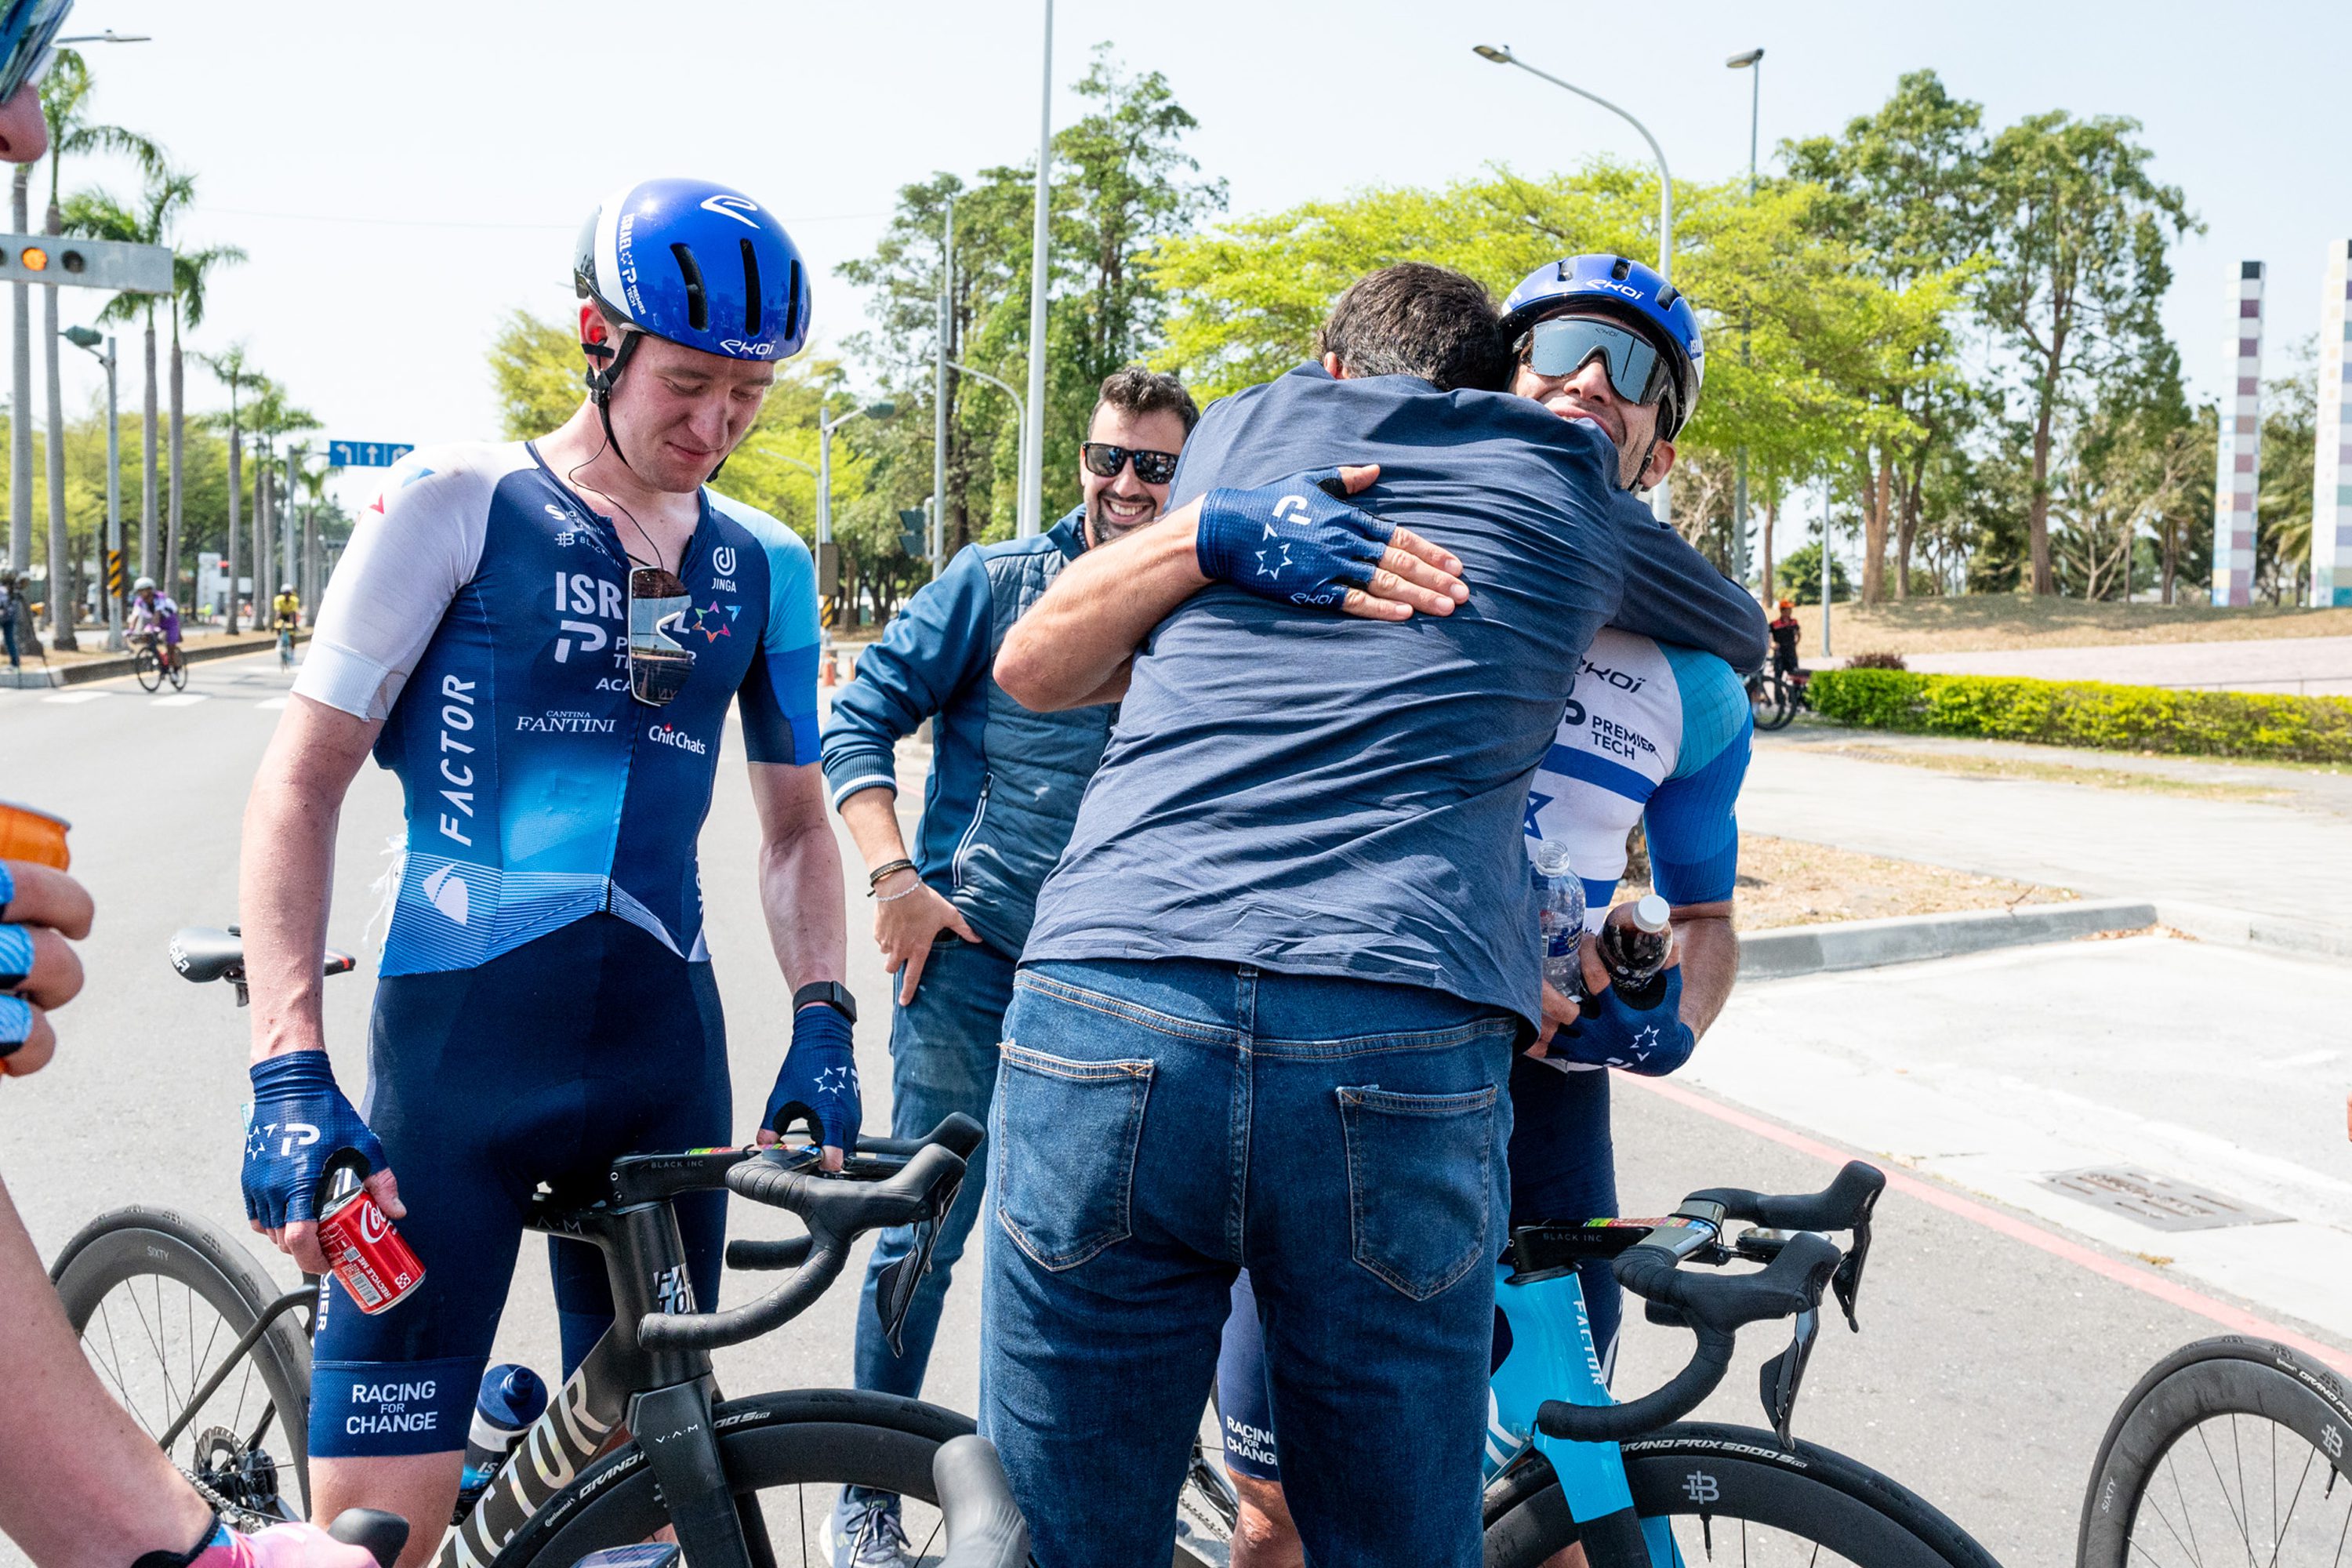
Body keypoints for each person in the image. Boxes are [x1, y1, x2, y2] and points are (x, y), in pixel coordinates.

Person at [985, 261, 1764, 1566]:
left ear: (1664, 443)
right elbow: (1029, 664)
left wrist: (1664, 1012)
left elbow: (1708, 900)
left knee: (1560, 1491)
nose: (1589, 385)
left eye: (1635, 377)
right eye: (1564, 349)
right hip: (1396, 1028)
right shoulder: (1538, 484)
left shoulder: (1236, 429)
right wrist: (1209, 533)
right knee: (1298, 1518)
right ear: (1493, 377)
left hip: (1154, 1005)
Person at [235, 178, 855, 1560]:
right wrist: (287, 1065)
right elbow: (302, 778)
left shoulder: (767, 564)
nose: (715, 427)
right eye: (687, 385)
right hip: (456, 1066)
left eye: (749, 397)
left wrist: (824, 1018)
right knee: (369, 1542)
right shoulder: (456, 502)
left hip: (660, 1069)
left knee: (637, 1523)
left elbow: (801, 828)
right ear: (598, 339)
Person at [818, 365, 1199, 1566]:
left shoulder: (1201, 602)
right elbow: (857, 712)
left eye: (1153, 466)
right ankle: (868, 1495)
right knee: (925, 1229)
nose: (1126, 485)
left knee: (1088, 1253)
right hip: (977, 964)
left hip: (1127, 982)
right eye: (1108, 459)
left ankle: (1026, 1501)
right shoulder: (996, 585)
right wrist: (894, 879)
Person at [127, 576, 183, 675]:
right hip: (156, 623)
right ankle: (160, 658)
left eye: (142, 591)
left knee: (170, 647)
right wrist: (130, 630)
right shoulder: (139, 601)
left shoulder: (159, 597)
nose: (140, 593)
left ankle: (175, 669)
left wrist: (154, 627)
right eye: (139, 591)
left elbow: (157, 614)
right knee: (146, 637)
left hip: (170, 622)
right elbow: (135, 616)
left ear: (149, 590)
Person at [1770, 597, 1801, 678]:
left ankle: (1795, 691)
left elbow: (1798, 634)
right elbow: (1768, 635)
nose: (1790, 611)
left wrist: (1795, 643)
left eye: (1790, 609)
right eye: (1788, 609)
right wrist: (1772, 643)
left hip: (1791, 653)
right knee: (1778, 677)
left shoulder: (1794, 622)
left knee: (1795, 675)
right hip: (1780, 653)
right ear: (1782, 610)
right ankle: (1778, 691)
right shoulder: (1775, 624)